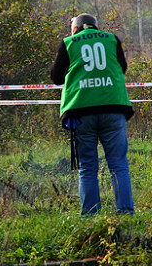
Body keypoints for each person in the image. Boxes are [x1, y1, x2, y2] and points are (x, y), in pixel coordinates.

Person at [50, 13, 134, 216]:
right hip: (113, 108)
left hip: (81, 112)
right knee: (118, 165)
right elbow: (122, 68)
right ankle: (125, 213)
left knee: (87, 167)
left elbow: (56, 78)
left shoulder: (68, 43)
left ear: (76, 29)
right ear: (95, 26)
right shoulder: (112, 39)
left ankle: (90, 216)